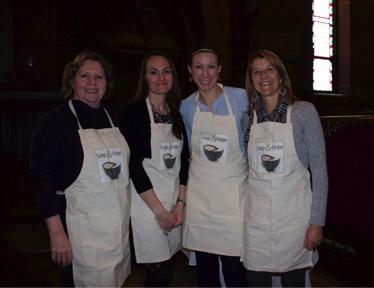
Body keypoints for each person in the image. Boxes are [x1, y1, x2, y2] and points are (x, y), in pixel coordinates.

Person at [29, 51, 131, 287]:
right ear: (72, 80)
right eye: (85, 76)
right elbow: (40, 180)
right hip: (79, 233)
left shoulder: (114, 117)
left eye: (99, 77)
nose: (92, 83)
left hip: (116, 231)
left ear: (107, 83)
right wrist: (57, 234)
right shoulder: (55, 121)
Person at [242, 49, 328, 287]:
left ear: (281, 75)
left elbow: (320, 174)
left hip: (294, 222)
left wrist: (316, 223)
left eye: (270, 69)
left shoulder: (304, 112)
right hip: (256, 221)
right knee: (256, 279)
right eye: (256, 72)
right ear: (251, 79)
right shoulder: (247, 118)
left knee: (294, 280)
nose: (264, 76)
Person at [180, 47, 249, 287]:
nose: (205, 73)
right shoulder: (186, 107)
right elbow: (192, 153)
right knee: (206, 271)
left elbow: (250, 142)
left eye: (211, 66)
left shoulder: (240, 97)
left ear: (219, 69)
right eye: (198, 66)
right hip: (202, 199)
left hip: (232, 198)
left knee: (234, 268)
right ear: (190, 71)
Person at [119, 51, 189, 287]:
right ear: (145, 78)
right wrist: (159, 212)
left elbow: (185, 163)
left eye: (166, 71)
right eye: (153, 72)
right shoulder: (134, 113)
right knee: (157, 271)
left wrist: (180, 204)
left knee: (167, 267)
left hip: (172, 201)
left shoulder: (178, 113)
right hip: (147, 204)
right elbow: (133, 166)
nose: (161, 77)